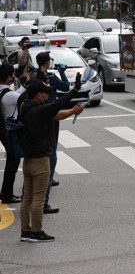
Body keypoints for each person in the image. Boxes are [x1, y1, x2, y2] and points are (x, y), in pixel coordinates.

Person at [19, 75, 83, 243]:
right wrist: (75, 89)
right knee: (39, 198)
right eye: (45, 93)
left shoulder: (24, 106)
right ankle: (37, 231)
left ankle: (25, 231)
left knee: (27, 198)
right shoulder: (39, 111)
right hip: (40, 160)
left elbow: (55, 109)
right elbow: (57, 104)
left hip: (27, 160)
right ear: (38, 95)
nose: (47, 96)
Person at [35, 51, 70, 214]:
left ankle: (45, 183)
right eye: (49, 60)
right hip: (51, 116)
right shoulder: (49, 78)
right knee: (52, 151)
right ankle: (46, 191)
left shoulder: (34, 77)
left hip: (39, 118)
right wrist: (62, 72)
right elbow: (65, 87)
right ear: (46, 63)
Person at [0, 62, 25, 204]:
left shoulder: (4, 92)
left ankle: (5, 192)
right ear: (9, 77)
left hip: (3, 130)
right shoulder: (9, 95)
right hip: (11, 133)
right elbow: (21, 98)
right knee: (12, 165)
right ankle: (7, 194)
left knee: (11, 163)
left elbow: (17, 94)